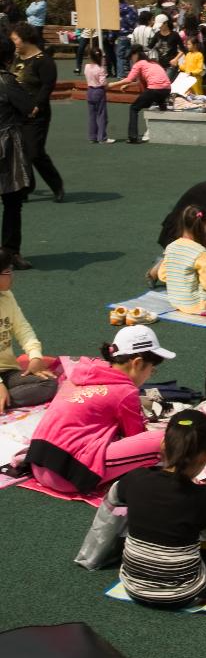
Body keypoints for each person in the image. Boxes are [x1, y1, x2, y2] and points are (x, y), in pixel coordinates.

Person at [117, 409, 206, 607]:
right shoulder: (201, 495)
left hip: (132, 585)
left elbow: (118, 500)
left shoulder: (135, 478)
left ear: (163, 445)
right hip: (183, 594)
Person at [24, 324, 173, 496]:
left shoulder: (83, 371)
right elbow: (135, 436)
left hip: (38, 464)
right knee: (162, 439)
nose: (149, 376)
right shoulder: (126, 392)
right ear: (137, 363)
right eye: (151, 370)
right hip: (68, 476)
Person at [10, 21, 64, 202]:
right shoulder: (16, 58)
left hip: (36, 114)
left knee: (34, 152)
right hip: (16, 112)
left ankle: (56, 185)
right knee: (19, 151)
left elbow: (47, 87)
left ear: (26, 40)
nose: (14, 43)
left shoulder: (44, 62)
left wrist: (37, 106)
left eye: (15, 39)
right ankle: (26, 186)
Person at [0, 248, 57, 409]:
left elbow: (22, 328)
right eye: (7, 271)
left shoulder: (7, 297)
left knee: (49, 384)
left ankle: (4, 400)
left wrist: (35, 357)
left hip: (6, 372)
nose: (12, 274)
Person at [0, 34, 35, 269]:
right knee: (12, 201)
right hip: (6, 144)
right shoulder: (7, 81)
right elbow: (28, 108)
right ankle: (10, 252)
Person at [110, 45, 172, 143]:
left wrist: (112, 85)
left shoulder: (139, 64)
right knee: (162, 107)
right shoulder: (153, 62)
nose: (131, 59)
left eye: (131, 57)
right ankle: (167, 132)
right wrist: (129, 85)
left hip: (154, 89)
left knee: (134, 108)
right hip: (166, 89)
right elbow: (142, 80)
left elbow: (129, 78)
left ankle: (133, 137)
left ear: (136, 54)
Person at [83, 43, 114, 144]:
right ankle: (102, 137)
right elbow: (103, 82)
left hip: (90, 91)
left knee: (92, 115)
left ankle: (93, 136)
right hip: (99, 91)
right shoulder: (100, 68)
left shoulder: (87, 66)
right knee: (101, 115)